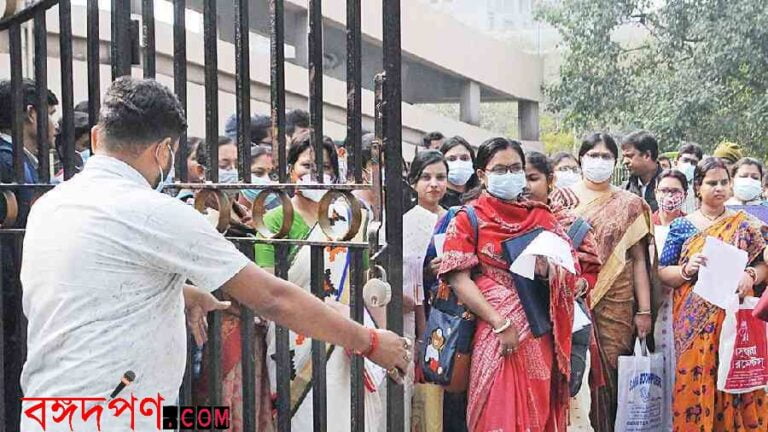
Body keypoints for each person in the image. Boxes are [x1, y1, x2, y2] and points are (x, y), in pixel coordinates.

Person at [18, 77, 409, 431]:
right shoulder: (153, 211)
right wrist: (369, 341)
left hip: (47, 410)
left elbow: (87, 281)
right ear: (163, 152)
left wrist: (181, 294)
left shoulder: (51, 206)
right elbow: (273, 297)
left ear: (99, 137)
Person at [439, 137, 575, 432]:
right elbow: (458, 278)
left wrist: (547, 270)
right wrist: (499, 323)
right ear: (482, 175)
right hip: (491, 329)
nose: (510, 175)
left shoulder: (541, 217)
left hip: (537, 330)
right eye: (500, 169)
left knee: (536, 414)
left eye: (516, 168)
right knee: (496, 410)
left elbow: (568, 271)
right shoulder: (467, 218)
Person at [254, 130, 383, 432]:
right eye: (308, 166)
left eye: (325, 168)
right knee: (300, 417)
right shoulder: (275, 220)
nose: (317, 174)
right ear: (290, 170)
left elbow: (363, 283)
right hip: (291, 333)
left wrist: (381, 332)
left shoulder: (350, 220)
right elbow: (266, 283)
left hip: (344, 335)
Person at [551, 132, 654, 432]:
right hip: (571, 301)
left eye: (605, 156)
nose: (599, 161)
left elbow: (638, 262)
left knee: (612, 376)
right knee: (574, 376)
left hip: (617, 307)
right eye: (592, 155)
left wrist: (644, 311)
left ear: (616, 162)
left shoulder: (632, 204)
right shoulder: (561, 200)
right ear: (580, 158)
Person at [658, 157, 768, 431]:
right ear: (698, 188)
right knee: (695, 381)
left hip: (735, 318)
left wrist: (750, 275)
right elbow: (662, 272)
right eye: (711, 183)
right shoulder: (682, 227)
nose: (719, 188)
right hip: (693, 324)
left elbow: (763, 264)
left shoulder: (747, 224)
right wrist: (686, 269)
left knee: (737, 382)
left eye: (723, 182)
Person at [525, 151, 602, 431]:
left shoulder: (572, 225)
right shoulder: (502, 223)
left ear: (550, 180)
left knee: (573, 408)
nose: (525, 185)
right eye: (519, 177)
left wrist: (579, 284)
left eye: (532, 178)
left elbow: (592, 270)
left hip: (569, 328)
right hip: (520, 330)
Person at [384, 150, 442, 432]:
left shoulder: (456, 217)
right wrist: (421, 329)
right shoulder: (406, 223)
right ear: (414, 182)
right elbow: (410, 278)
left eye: (440, 178)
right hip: (417, 315)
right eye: (426, 177)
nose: (434, 184)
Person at [621, 130, 662, 212]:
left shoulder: (670, 186)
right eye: (624, 157)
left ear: (647, 155)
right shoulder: (624, 190)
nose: (625, 161)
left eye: (629, 156)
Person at [439, 136, 477, 208]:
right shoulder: (434, 199)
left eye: (464, 158)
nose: (459, 163)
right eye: (452, 159)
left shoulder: (480, 198)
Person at [676, 143, 703, 213]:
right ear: (676, 162)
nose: (689, 165)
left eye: (694, 162)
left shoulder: (701, 188)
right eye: (685, 160)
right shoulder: (664, 185)